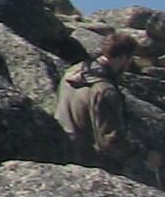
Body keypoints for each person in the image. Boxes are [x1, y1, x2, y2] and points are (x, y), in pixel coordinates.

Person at [57, 31, 165, 184]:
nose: (128, 66)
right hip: (88, 167)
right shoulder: (104, 90)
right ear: (122, 58)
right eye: (129, 60)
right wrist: (145, 155)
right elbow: (110, 142)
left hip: (61, 154)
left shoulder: (73, 72)